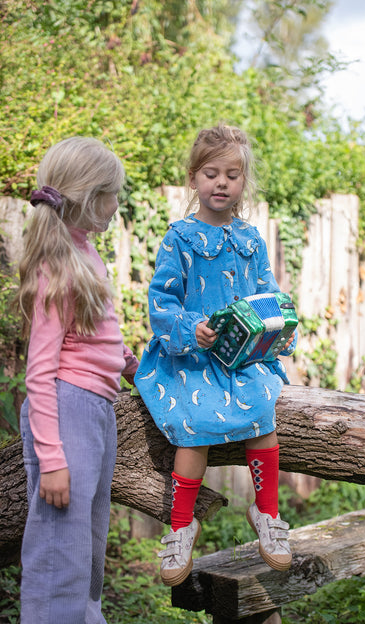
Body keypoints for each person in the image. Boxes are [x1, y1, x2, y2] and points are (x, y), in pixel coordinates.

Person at [135, 123, 297, 587]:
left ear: (243, 181)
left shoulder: (251, 239)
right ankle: (182, 524)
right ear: (193, 178)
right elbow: (161, 303)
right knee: (194, 428)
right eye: (211, 173)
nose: (221, 183)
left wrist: (279, 322)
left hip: (243, 358)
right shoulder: (180, 238)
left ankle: (267, 513)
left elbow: (267, 293)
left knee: (263, 415)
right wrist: (190, 328)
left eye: (232, 174)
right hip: (194, 357)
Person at [17, 137, 139, 624]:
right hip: (67, 413)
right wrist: (52, 460)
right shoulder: (56, 265)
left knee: (87, 546)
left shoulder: (84, 251)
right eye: (113, 195)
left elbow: (96, 337)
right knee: (58, 552)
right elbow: (40, 372)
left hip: (95, 411)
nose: (117, 205)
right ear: (91, 198)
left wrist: (133, 366)